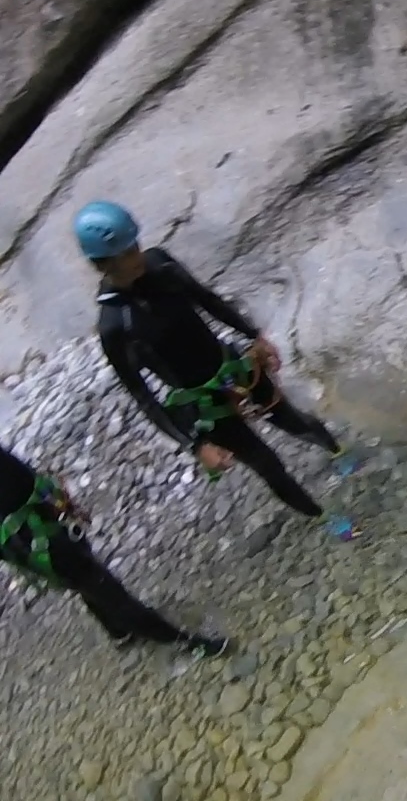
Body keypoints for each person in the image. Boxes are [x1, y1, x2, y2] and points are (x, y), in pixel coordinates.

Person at [76, 201, 358, 538]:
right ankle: (322, 518)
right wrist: (196, 446)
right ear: (103, 264)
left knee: (291, 418)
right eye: (125, 254)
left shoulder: (160, 264)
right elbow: (143, 396)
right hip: (204, 404)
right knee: (266, 463)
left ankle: (341, 453)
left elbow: (208, 301)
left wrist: (255, 336)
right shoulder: (114, 327)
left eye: (134, 245)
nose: (137, 255)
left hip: (232, 367)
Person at [1, 442, 229, 656]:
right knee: (103, 588)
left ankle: (117, 630)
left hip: (33, 528)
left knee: (84, 580)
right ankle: (178, 640)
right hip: (37, 534)